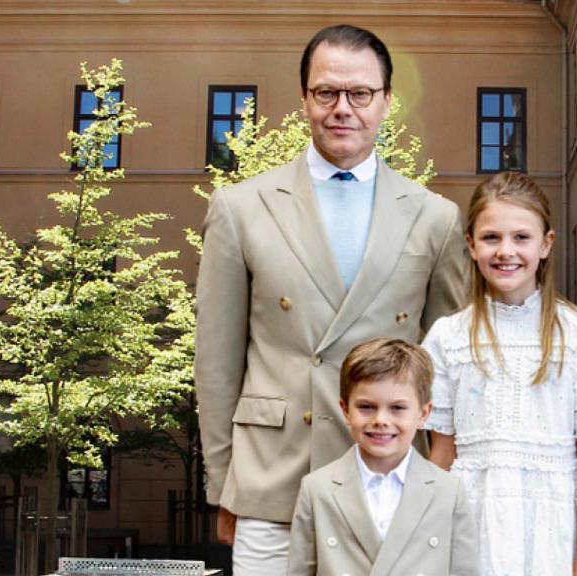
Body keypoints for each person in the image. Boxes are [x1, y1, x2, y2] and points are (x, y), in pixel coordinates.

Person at [194, 24, 469, 574]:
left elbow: (448, 366)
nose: (343, 108)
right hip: (273, 476)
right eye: (327, 93)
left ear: (387, 102)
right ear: (304, 99)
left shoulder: (435, 217)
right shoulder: (240, 207)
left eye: (360, 94)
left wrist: (439, 479)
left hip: (386, 477)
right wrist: (224, 482)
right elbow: (216, 362)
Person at [423, 172, 577, 575]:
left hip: (553, 531)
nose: (505, 251)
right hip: (472, 525)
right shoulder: (449, 337)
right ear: (471, 245)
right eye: (491, 238)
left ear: (546, 244)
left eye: (521, 237)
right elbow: (441, 454)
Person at [286, 338, 478, 576]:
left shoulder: (449, 490)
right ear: (345, 410)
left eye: (397, 408)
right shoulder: (317, 488)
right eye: (366, 407)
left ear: (423, 413)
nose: (381, 420)